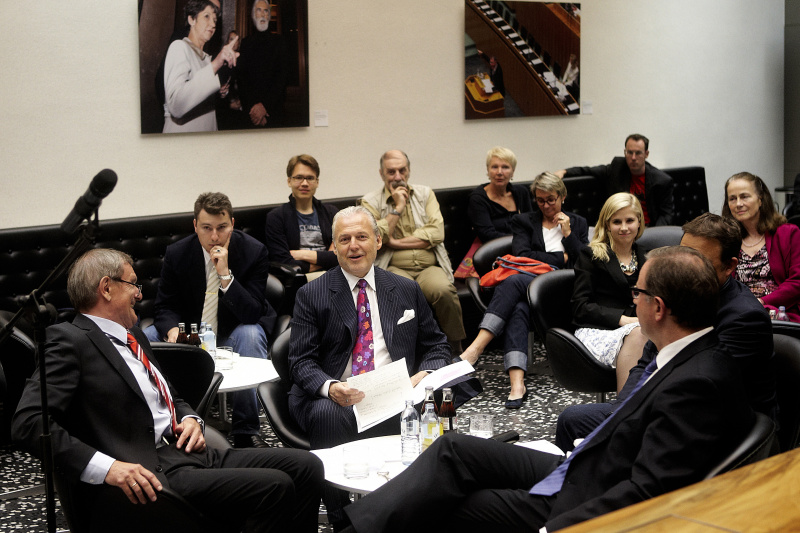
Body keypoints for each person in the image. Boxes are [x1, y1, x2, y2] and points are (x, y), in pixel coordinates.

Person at [339, 246, 754, 533]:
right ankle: (354, 527)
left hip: (581, 499)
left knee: (447, 506)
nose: (634, 301)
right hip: (585, 467)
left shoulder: (698, 381)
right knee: (454, 449)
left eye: (637, 293)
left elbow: (649, 491)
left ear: (658, 307)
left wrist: (554, 527)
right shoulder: (683, 351)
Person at [12, 249, 323, 533]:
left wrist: (192, 420)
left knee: (306, 465)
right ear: (106, 288)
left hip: (190, 453)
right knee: (276, 487)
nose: (139, 294)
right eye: (133, 285)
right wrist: (108, 468)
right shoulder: (68, 340)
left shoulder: (133, 335)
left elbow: (172, 396)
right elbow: (28, 422)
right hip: (152, 468)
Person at [288, 206, 452, 528]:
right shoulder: (311, 294)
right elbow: (300, 361)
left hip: (396, 392)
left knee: (436, 402)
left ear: (378, 240)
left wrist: (426, 376)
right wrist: (332, 387)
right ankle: (341, 519)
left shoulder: (405, 288)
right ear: (333, 247)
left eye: (362, 236)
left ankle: (412, 509)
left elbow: (436, 345)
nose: (354, 246)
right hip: (338, 394)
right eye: (344, 239)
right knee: (326, 414)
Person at [556, 213, 777, 451]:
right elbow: (645, 363)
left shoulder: (744, 318)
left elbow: (700, 392)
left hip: (721, 428)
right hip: (672, 406)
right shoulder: (683, 295)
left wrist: (631, 419)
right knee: (572, 420)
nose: (684, 269)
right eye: (681, 257)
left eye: (699, 261)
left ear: (730, 266)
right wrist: (622, 411)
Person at [146, 192, 276, 448]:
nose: (214, 237)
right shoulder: (177, 253)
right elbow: (165, 305)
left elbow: (251, 312)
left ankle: (245, 430)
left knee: (251, 333)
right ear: (195, 226)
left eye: (222, 228)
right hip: (191, 332)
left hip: (233, 330)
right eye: (206, 228)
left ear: (233, 224)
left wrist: (225, 275)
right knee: (148, 336)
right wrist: (172, 330)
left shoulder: (253, 251)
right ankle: (164, 422)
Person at [459, 172, 588, 408]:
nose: (546, 206)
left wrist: (568, 235)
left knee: (513, 282)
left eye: (551, 199)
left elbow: (581, 263)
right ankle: (517, 383)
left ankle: (476, 347)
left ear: (563, 196)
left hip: (562, 290)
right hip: (529, 288)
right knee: (518, 307)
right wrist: (561, 257)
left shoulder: (577, 223)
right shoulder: (525, 221)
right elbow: (522, 256)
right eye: (540, 200)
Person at [361, 150, 466, 353]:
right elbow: (374, 238)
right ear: (382, 174)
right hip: (394, 266)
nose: (398, 176)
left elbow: (437, 232)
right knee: (402, 293)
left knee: (444, 290)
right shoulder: (370, 202)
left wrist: (395, 242)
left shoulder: (425, 194)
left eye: (402, 170)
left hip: (429, 266)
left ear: (408, 170)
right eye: (391, 172)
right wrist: (397, 208)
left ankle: (456, 347)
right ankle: (407, 353)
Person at [572, 193, 649, 391]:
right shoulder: (591, 255)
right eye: (617, 221)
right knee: (640, 334)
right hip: (599, 330)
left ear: (639, 222)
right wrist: (623, 320)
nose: (624, 227)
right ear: (607, 224)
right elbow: (581, 307)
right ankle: (624, 410)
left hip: (641, 327)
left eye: (630, 220)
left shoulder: (648, 256)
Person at [722, 171, 800, 322]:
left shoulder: (788, 233)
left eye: (744, 196)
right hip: (737, 315)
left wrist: (762, 302)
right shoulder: (726, 240)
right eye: (732, 198)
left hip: (779, 314)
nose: (738, 204)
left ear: (760, 199)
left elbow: (797, 281)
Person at [555, 134, 675, 226]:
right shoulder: (617, 168)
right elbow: (589, 170)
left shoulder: (661, 180)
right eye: (629, 152)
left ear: (646, 154)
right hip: (618, 226)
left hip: (646, 228)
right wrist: (565, 172)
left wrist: (654, 236)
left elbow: (666, 215)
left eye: (638, 153)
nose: (633, 158)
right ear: (625, 152)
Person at [162, 0, 240, 133]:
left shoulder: (207, 59)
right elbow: (176, 105)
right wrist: (216, 64)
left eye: (215, 20)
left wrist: (221, 92)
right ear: (192, 19)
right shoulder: (179, 47)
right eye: (207, 16)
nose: (213, 24)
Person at [265, 154, 339, 279]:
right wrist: (326, 260)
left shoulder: (332, 214)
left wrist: (302, 254)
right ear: (289, 181)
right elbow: (283, 261)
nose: (304, 183)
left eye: (310, 178)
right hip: (299, 281)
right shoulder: (276, 217)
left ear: (317, 182)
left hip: (334, 276)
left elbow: (343, 255)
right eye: (299, 177)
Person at [237, 0, 288, 128]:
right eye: (258, 10)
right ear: (253, 16)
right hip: (250, 115)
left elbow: (282, 79)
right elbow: (242, 80)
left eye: (266, 11)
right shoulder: (245, 43)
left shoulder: (280, 42)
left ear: (269, 17)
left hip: (273, 114)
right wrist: (254, 112)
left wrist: (264, 108)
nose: (263, 14)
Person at [467, 146, 534, 243]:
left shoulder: (521, 192)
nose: (499, 172)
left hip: (523, 247)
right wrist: (520, 239)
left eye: (505, 167)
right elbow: (487, 235)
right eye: (494, 167)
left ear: (513, 171)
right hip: (493, 250)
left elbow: (531, 224)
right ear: (488, 170)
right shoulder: (478, 198)